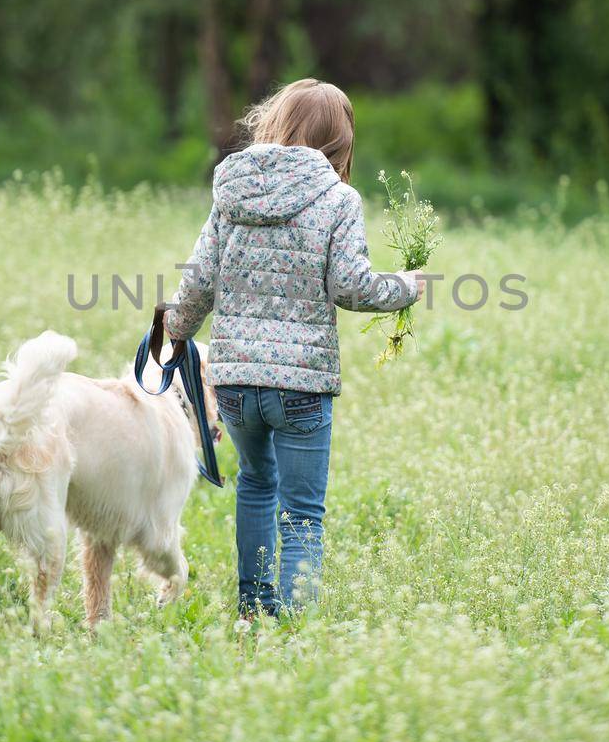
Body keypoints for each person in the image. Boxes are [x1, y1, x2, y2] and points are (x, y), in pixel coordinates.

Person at [165, 78, 422, 618]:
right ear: (340, 142)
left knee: (255, 486)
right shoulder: (338, 199)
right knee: (303, 511)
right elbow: (352, 287)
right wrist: (407, 286)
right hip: (301, 385)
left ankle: (253, 614)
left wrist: (176, 332)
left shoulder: (231, 189)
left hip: (235, 383)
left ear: (277, 121)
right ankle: (296, 627)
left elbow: (198, 282)